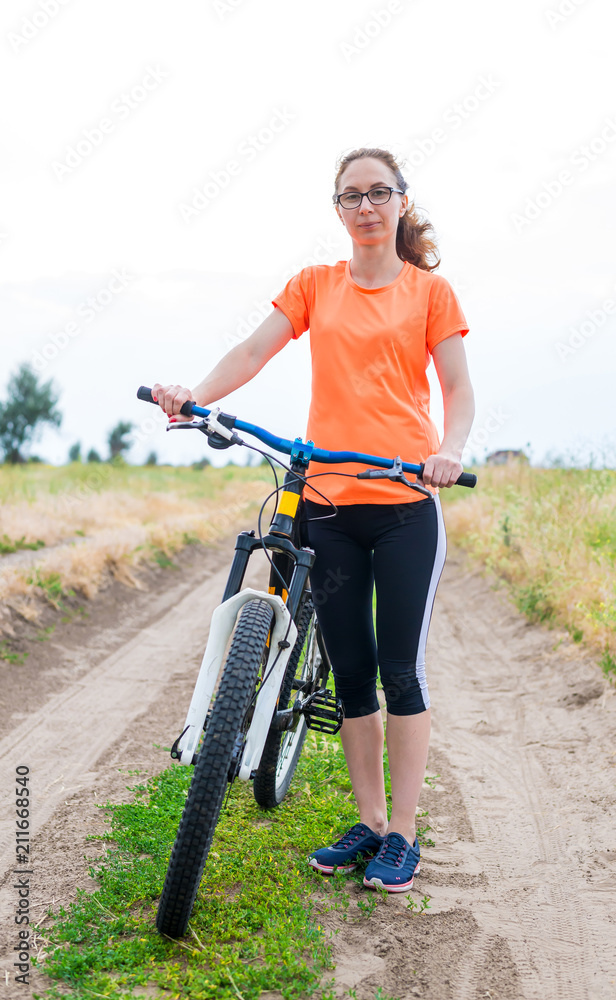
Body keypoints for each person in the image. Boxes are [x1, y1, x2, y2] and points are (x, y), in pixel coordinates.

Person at [152, 146, 475, 893]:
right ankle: (367, 822)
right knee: (353, 673)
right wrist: (194, 396)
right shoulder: (314, 285)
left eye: (378, 193)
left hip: (403, 509)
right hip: (328, 508)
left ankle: (405, 834)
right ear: (337, 209)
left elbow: (457, 389)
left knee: (400, 671)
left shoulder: (432, 293)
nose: (365, 206)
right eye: (351, 196)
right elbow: (255, 348)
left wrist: (450, 450)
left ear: (400, 201)